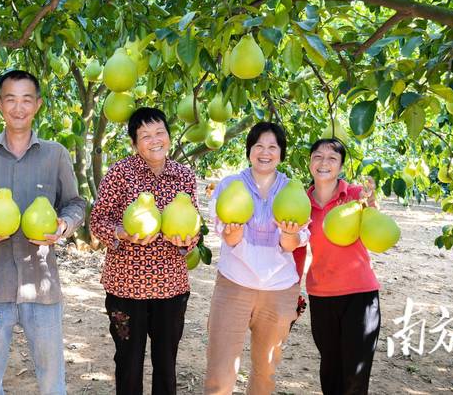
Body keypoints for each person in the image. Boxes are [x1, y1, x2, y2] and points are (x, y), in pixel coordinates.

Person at [0, 69, 86, 395]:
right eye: (11, 100)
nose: (18, 108)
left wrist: (64, 225)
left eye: (26, 100)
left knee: (52, 383)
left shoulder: (56, 155)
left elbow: (75, 203)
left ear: (37, 104)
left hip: (42, 287)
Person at [89, 107, 199, 395]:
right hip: (126, 288)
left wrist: (187, 241)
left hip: (171, 287)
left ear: (169, 136)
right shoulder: (120, 174)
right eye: (145, 135)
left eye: (159, 132)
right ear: (134, 143)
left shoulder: (183, 177)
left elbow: (194, 224)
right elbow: (98, 220)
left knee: (166, 363)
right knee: (129, 362)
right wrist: (120, 233)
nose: (154, 140)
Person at [204, 121, 309, 395]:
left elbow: (292, 244)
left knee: (266, 371)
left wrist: (289, 234)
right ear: (249, 150)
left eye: (272, 147)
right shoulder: (229, 185)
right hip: (234, 285)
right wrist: (233, 233)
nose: (265, 152)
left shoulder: (292, 191)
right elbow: (227, 237)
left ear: (281, 153)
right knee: (221, 369)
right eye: (259, 145)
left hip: (279, 289)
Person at [297, 138, 380, 395]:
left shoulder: (355, 195)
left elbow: (375, 230)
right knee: (330, 371)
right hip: (321, 295)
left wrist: (371, 204)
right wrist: (292, 292)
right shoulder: (301, 202)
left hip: (360, 295)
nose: (324, 162)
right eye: (318, 156)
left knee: (355, 374)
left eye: (332, 158)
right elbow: (298, 252)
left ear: (341, 165)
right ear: (309, 162)